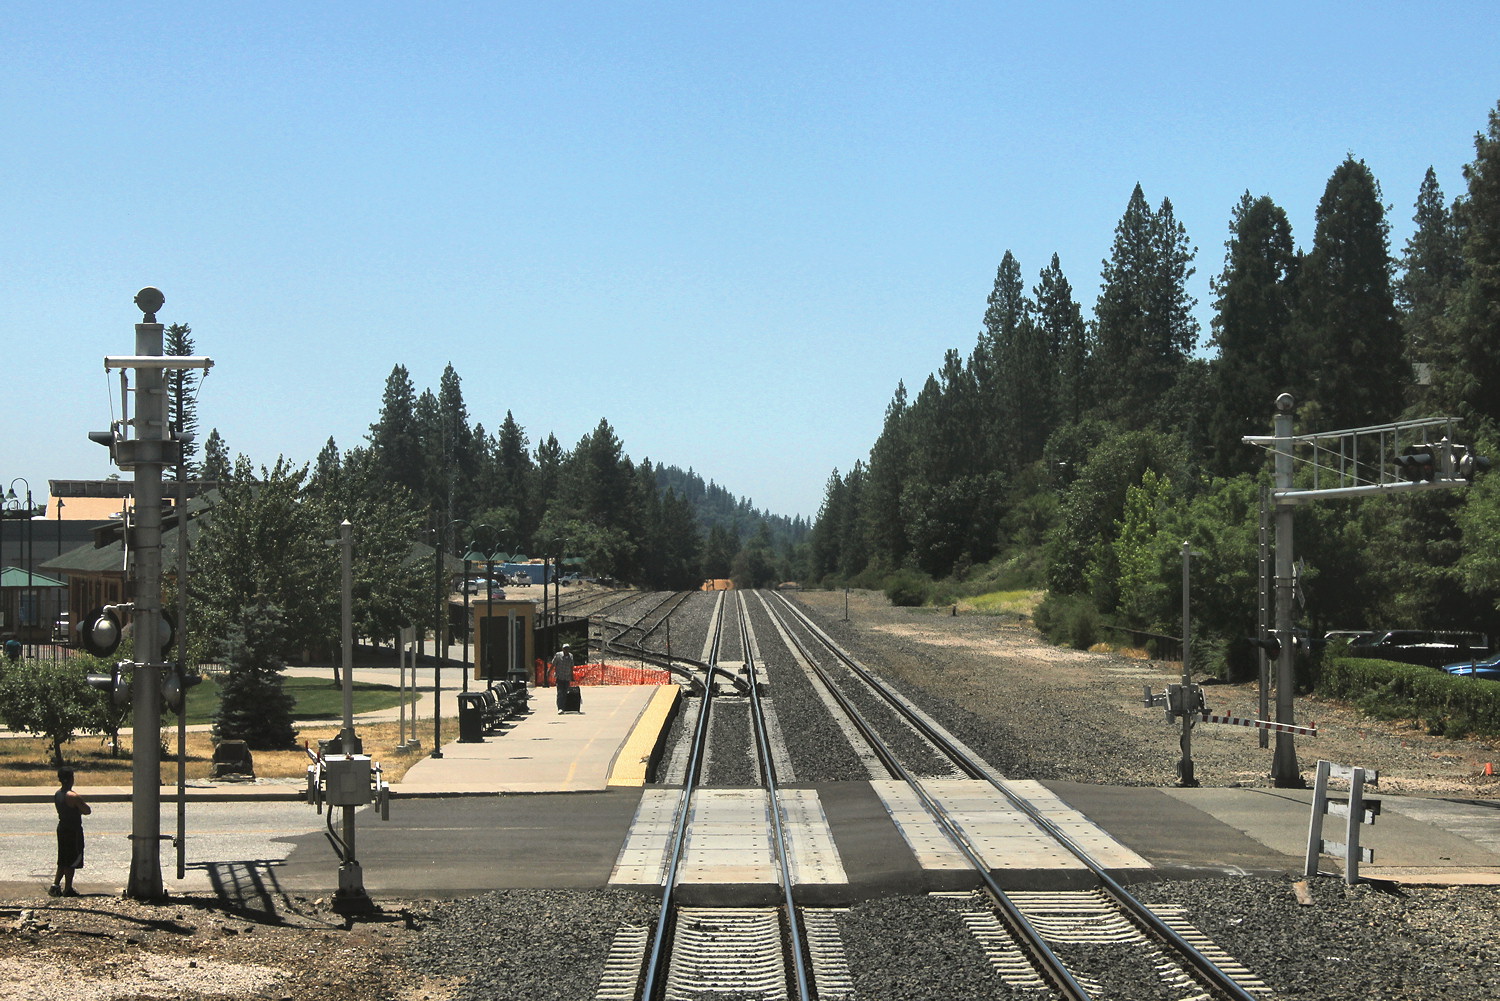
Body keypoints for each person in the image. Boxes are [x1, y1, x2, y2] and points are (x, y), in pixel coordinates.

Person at [50, 767, 90, 897]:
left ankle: (55, 885)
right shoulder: (73, 796)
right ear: (71, 779)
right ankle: (68, 888)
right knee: (71, 860)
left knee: (62, 859)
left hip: (62, 828)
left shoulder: (58, 794)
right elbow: (87, 810)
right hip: (73, 830)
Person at [552, 643, 576, 713]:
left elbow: (571, 667)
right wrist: (548, 672)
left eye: (567, 648)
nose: (566, 650)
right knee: (560, 693)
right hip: (559, 677)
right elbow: (553, 664)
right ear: (562, 649)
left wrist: (572, 676)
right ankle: (560, 708)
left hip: (567, 677)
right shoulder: (558, 655)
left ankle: (563, 707)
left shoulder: (571, 656)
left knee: (565, 693)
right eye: (565, 648)